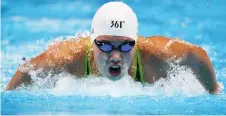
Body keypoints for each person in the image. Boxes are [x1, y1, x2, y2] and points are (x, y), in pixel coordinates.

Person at [6, 1, 220, 93]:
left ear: (136, 43)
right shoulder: (68, 58)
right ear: (92, 42)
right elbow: (28, 70)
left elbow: (197, 56)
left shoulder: (157, 56)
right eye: (105, 45)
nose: (115, 56)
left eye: (126, 46)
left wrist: (214, 91)